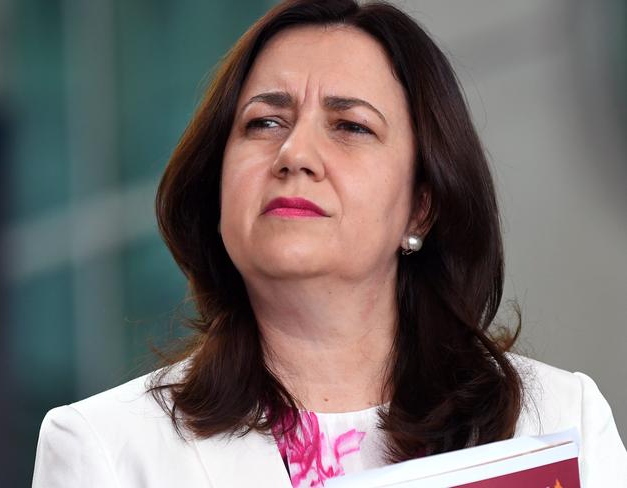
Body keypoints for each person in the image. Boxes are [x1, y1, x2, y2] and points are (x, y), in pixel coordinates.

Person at [31, 0, 627, 486]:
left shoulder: (557, 422)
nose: (295, 155)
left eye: (350, 126)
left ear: (421, 204)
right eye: (265, 122)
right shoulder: (104, 449)